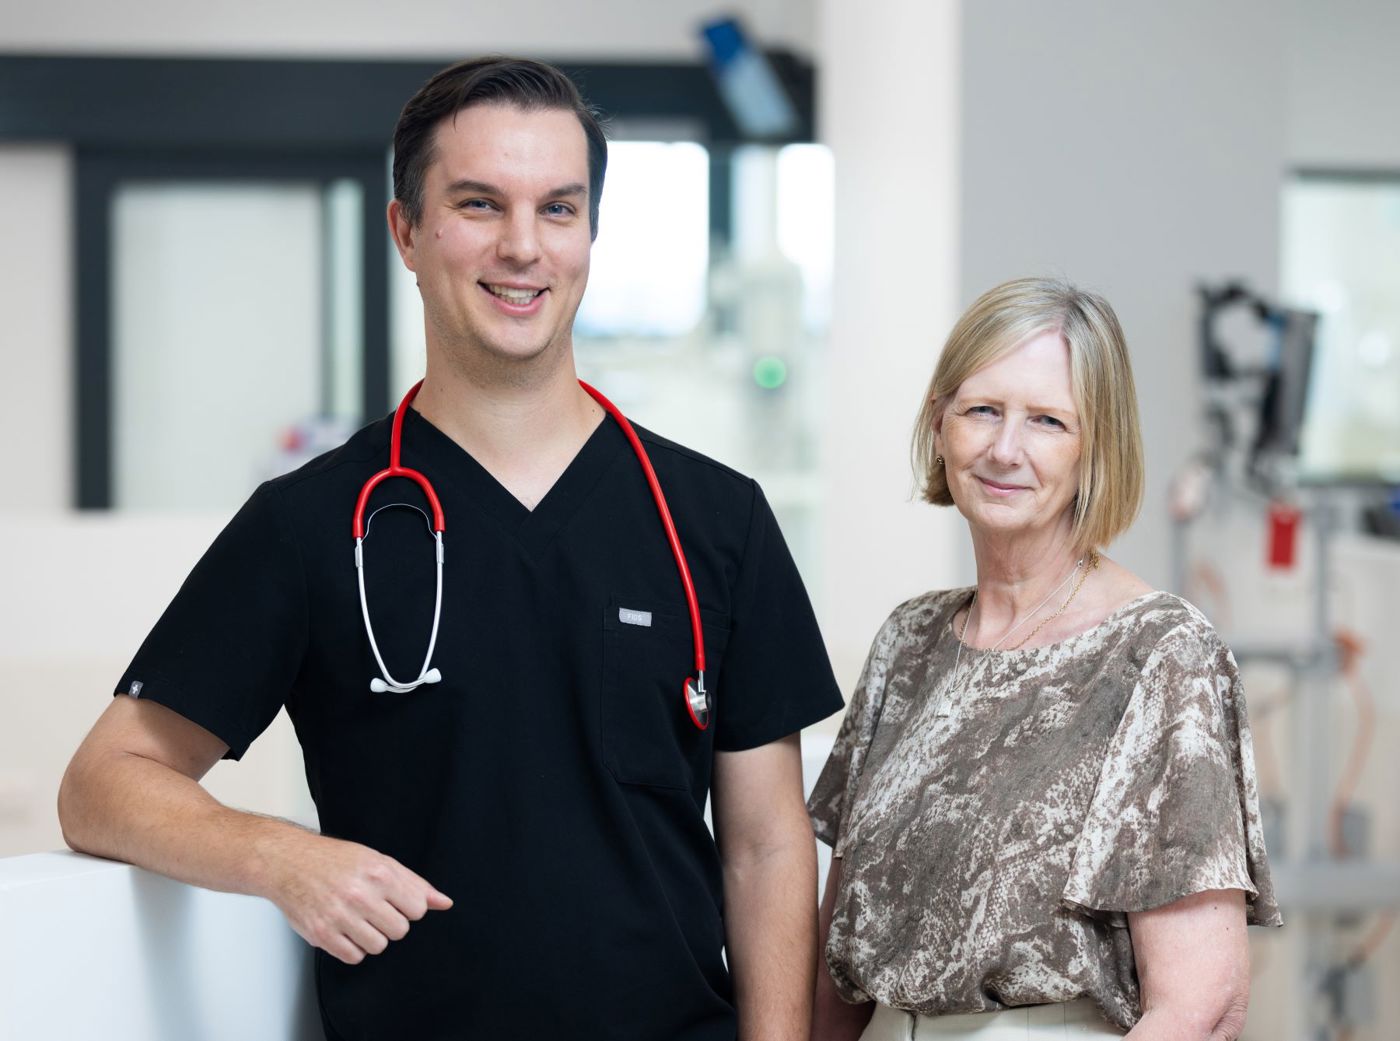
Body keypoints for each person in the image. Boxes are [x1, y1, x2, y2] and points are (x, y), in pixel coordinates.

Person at [58, 56, 842, 1041]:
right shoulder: (310, 524)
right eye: (479, 204)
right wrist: (279, 858)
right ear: (406, 233)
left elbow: (766, 846)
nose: (522, 247)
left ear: (588, 235)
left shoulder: (713, 520)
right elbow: (102, 782)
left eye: (558, 209)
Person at [807, 277, 1281, 1040]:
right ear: (940, 424)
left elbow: (1201, 1006)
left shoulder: (1159, 654)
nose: (1004, 448)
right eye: (982, 410)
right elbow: (837, 960)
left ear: (1095, 444)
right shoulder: (908, 641)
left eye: (1047, 421)